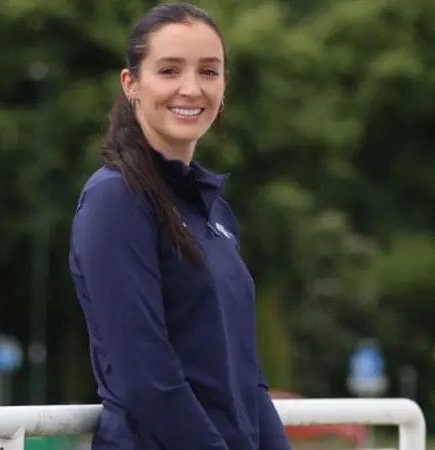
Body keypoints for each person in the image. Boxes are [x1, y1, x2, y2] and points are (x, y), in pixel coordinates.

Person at [69, 3, 290, 450]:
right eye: (169, 71)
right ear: (131, 84)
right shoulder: (116, 200)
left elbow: (248, 378)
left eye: (209, 72)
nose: (191, 89)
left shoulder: (214, 213)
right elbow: (145, 379)